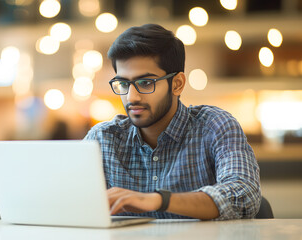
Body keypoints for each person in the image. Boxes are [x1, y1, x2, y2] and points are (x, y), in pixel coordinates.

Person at [84, 24, 261, 220]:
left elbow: (243, 196)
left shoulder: (215, 126)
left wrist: (159, 200)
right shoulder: (102, 139)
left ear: (177, 84)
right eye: (124, 84)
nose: (131, 97)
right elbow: (69, 202)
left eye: (145, 83)